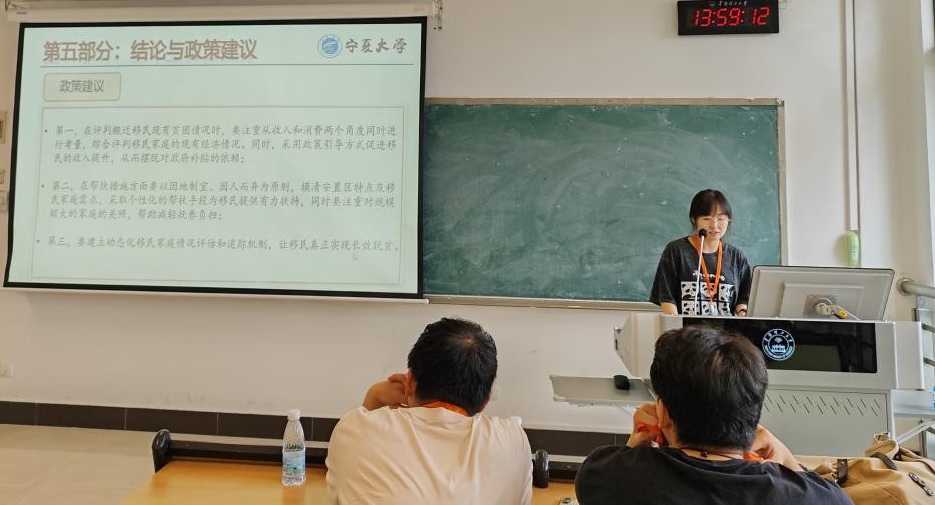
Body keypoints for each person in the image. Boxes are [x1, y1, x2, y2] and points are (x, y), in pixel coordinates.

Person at [574, 325, 850, 504]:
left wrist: (637, 445)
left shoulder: (608, 476)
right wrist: (785, 456)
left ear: (664, 414)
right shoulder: (801, 496)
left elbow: (604, 478)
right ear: (753, 415)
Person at [325, 317, 533, 505]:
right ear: (484, 402)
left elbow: (354, 448)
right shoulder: (515, 442)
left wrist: (374, 396)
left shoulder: (353, 431)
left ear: (410, 381)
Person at [650, 188, 752, 316]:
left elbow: (743, 300)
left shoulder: (737, 257)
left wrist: (744, 315)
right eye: (706, 219)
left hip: (726, 329)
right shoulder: (676, 251)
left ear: (728, 220)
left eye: (721, 219)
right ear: (694, 219)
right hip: (686, 328)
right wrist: (678, 326)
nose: (714, 225)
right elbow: (667, 298)